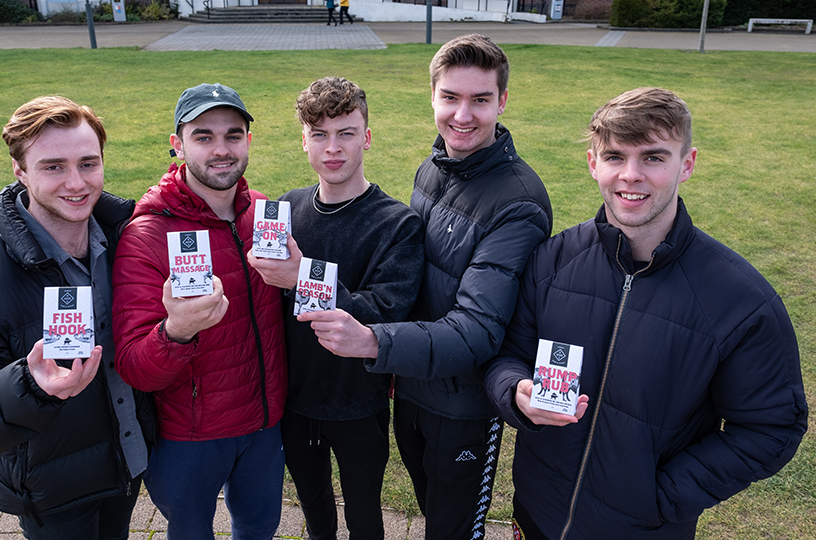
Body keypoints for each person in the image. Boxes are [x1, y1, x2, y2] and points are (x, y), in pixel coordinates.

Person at [483, 87, 808, 540]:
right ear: (594, 164)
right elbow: (507, 354)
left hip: (643, 528)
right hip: (537, 510)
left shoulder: (741, 300)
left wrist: (659, 498)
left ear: (687, 163)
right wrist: (514, 391)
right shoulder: (552, 261)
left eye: (653, 158)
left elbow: (771, 427)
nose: (630, 176)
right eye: (615, 156)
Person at [298, 34, 553, 539]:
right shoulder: (433, 168)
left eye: (480, 100)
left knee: (453, 529)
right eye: (451, 98)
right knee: (429, 508)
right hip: (411, 389)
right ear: (432, 97)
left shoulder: (518, 202)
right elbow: (409, 281)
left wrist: (374, 341)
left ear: (501, 102)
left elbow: (477, 330)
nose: (463, 115)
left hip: (463, 407)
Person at [0, 96, 152, 540]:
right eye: (53, 167)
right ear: (19, 170)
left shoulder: (129, 241)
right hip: (52, 489)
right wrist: (30, 386)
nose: (76, 183)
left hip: (126, 460)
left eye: (88, 163)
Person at [248, 76, 424, 540]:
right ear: (304, 140)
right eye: (320, 134)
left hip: (358, 402)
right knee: (314, 509)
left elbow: (383, 311)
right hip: (296, 400)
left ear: (365, 137)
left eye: (346, 133)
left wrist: (300, 275)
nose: (333, 148)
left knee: (364, 513)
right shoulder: (287, 209)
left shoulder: (397, 223)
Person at [110, 83, 286, 540]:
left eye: (233, 134)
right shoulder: (146, 235)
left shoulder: (265, 214)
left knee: (260, 528)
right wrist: (176, 332)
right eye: (203, 136)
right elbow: (134, 366)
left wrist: (302, 277)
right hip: (192, 435)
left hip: (265, 424)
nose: (221, 149)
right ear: (178, 144)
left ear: (248, 140)